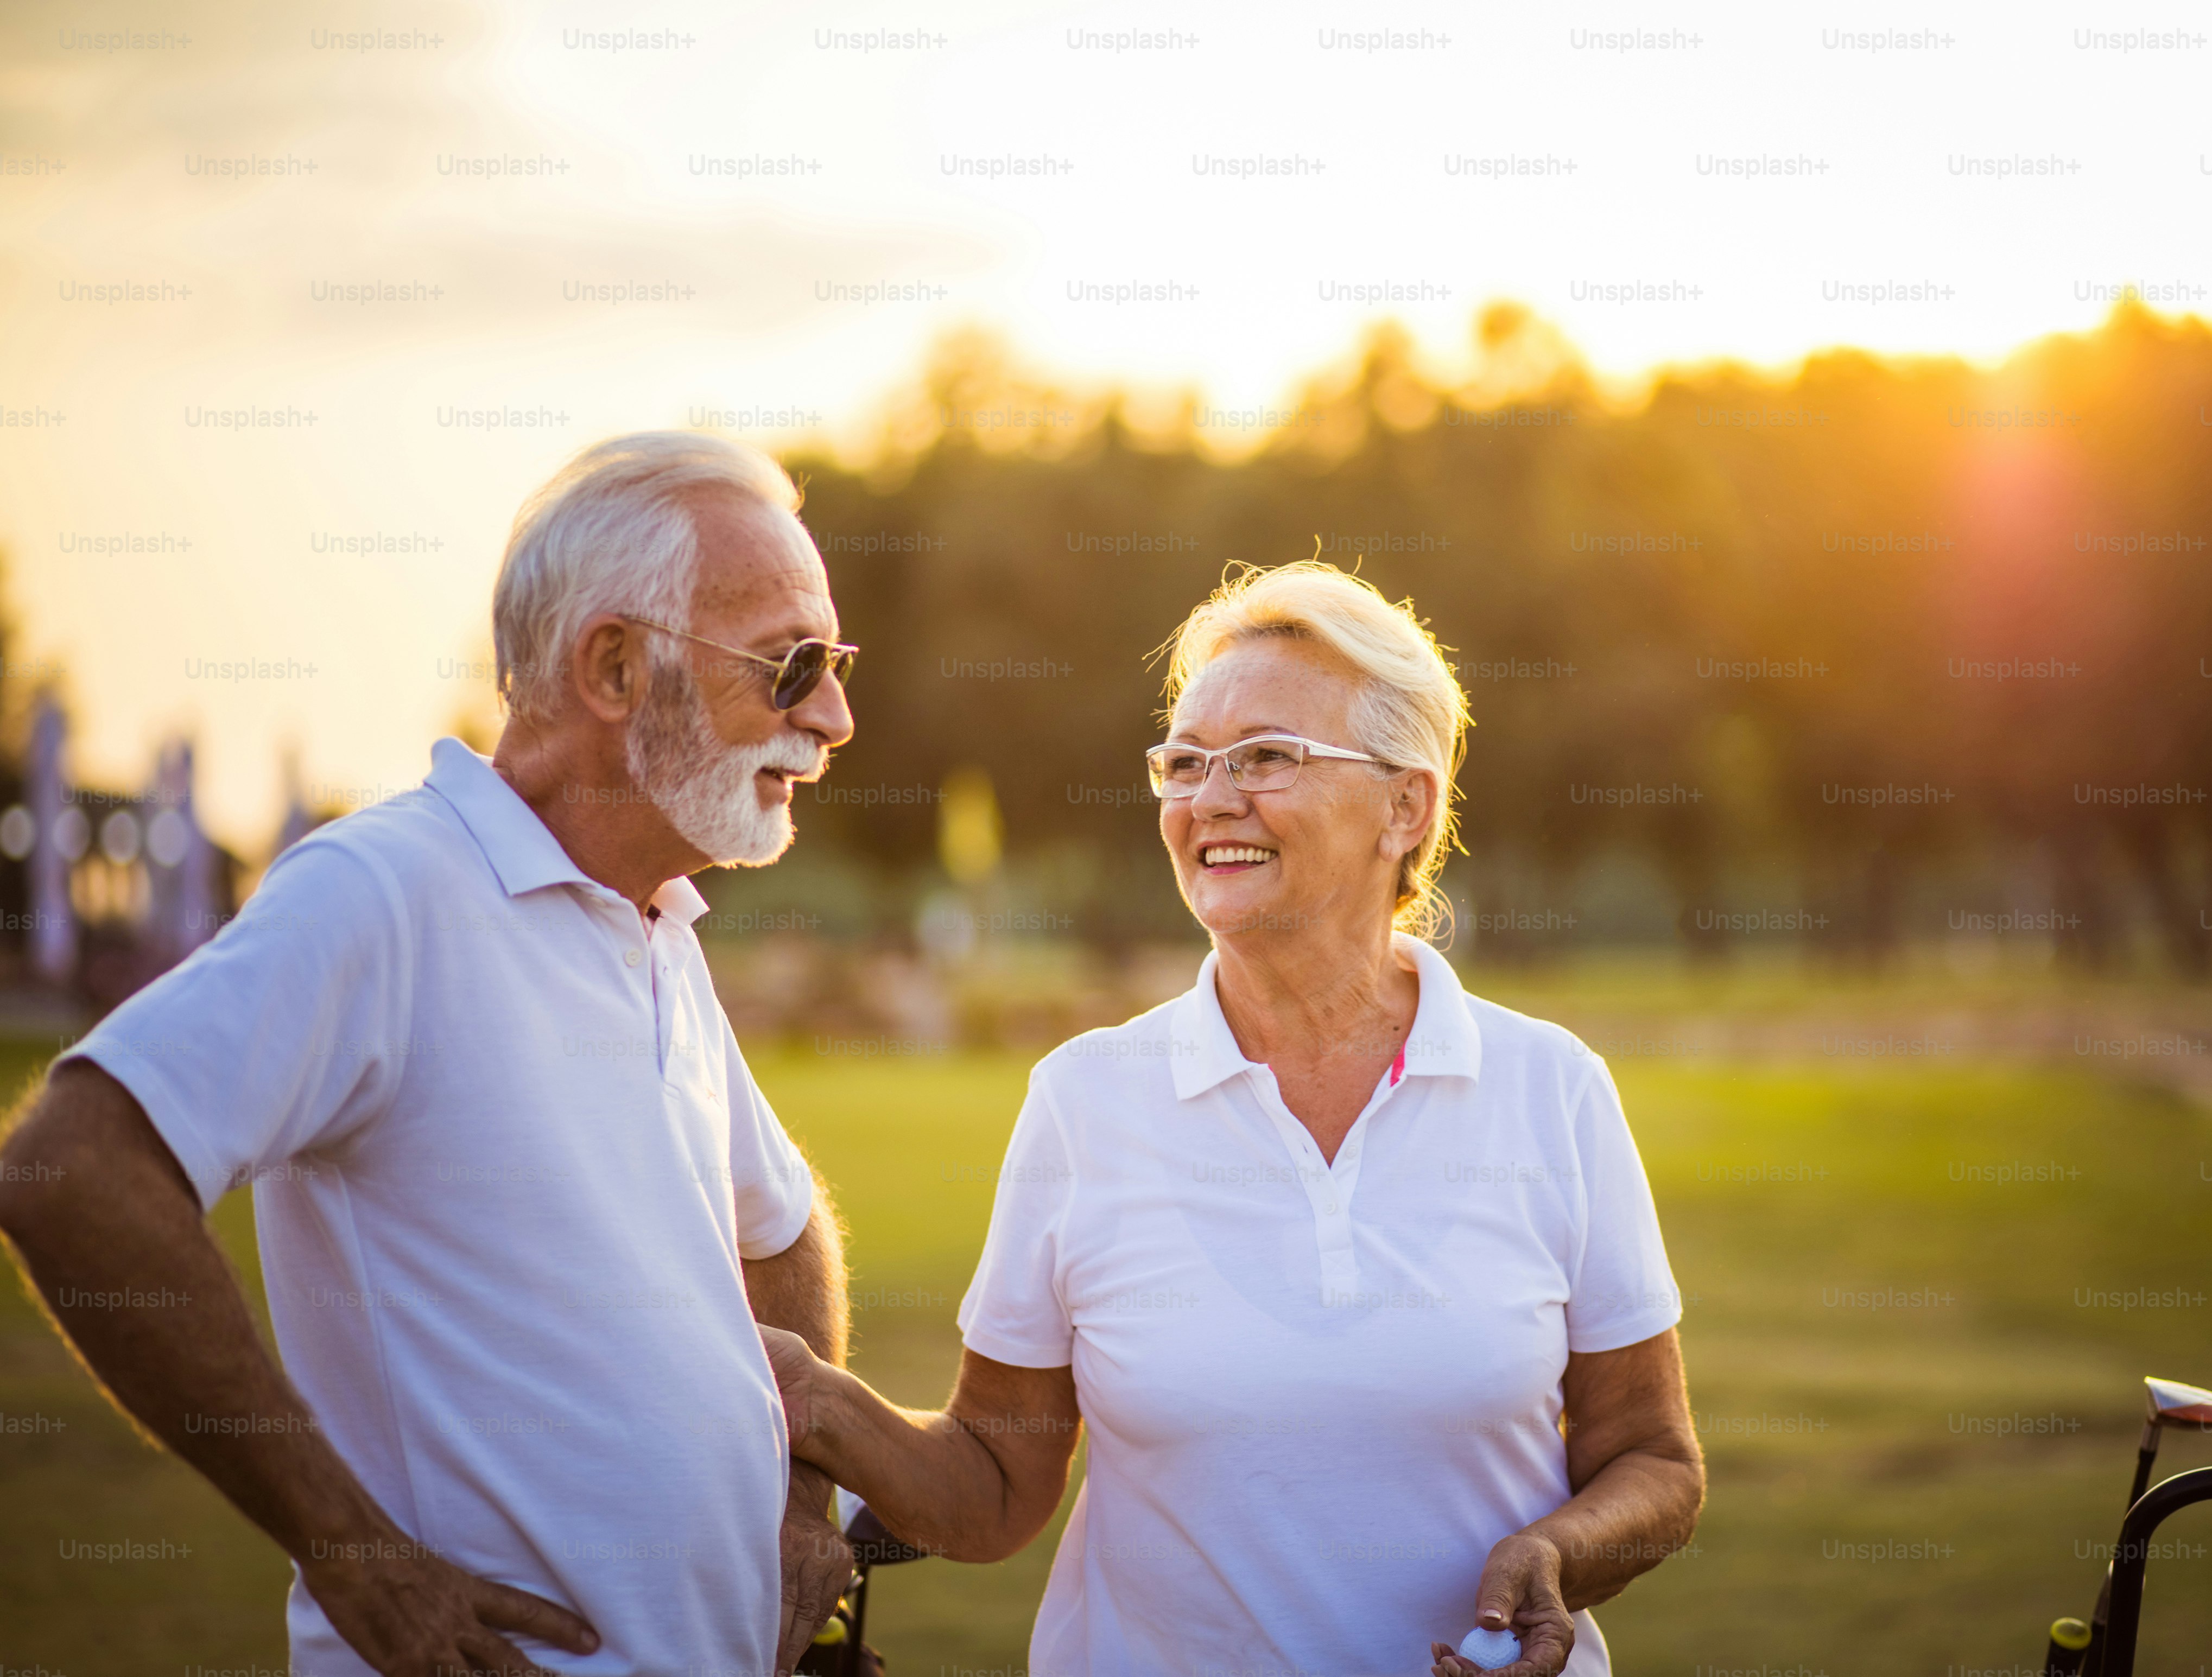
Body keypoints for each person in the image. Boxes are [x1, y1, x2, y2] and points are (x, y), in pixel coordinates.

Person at [0, 432, 862, 1676]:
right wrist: (349, 1551)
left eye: (830, 664)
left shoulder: (653, 921)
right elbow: (69, 1171)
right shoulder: (385, 891)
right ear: (614, 667)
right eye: (790, 666)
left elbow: (778, 1230)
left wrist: (794, 1502)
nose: (834, 717)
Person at [759, 561, 1703, 1677]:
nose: (1210, 798)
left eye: (1266, 757)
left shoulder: (1552, 1088)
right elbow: (995, 1486)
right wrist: (807, 1395)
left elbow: (1650, 1458)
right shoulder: (1084, 1099)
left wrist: (1553, 1553)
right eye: (1186, 762)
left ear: (1406, 805)